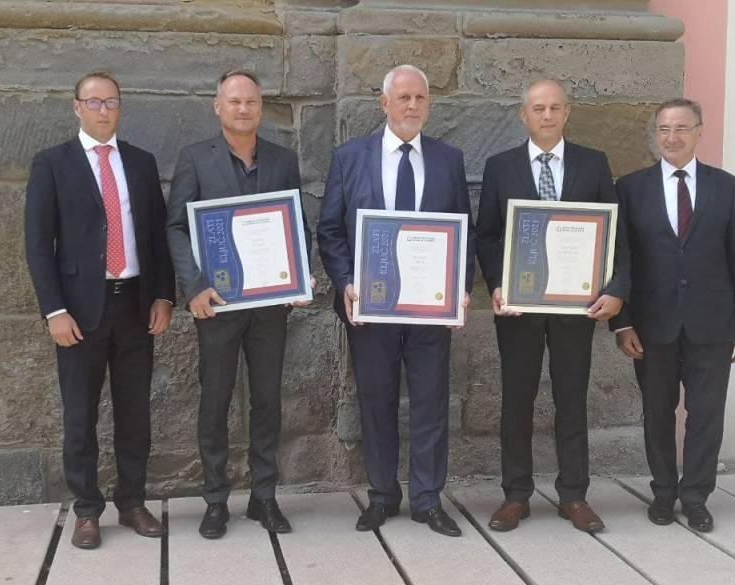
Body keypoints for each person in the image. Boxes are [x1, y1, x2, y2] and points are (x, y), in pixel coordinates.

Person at [317, 64, 475, 537]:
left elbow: (463, 231)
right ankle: (382, 496)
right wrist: (346, 281)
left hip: (430, 309)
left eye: (420, 98)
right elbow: (330, 229)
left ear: (429, 104)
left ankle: (428, 499)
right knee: (376, 402)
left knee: (431, 402)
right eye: (403, 97)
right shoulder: (350, 157)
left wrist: (461, 289)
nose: (411, 105)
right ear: (384, 103)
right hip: (371, 307)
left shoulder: (448, 159)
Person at [25, 71, 174, 549]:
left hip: (135, 305)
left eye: (111, 101)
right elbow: (38, 244)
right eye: (94, 102)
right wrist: (54, 310)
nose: (103, 110)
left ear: (120, 107)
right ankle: (87, 510)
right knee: (80, 415)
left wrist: (164, 295)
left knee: (135, 414)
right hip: (79, 311)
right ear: (77, 107)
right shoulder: (52, 164)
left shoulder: (142, 162)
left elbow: (157, 235)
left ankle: (132, 502)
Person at [476, 80, 628, 533]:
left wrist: (616, 289)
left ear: (567, 113)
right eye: (538, 108)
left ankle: (574, 496)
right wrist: (498, 285)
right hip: (519, 306)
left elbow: (614, 233)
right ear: (523, 115)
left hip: (577, 306)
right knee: (516, 399)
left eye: (555, 108)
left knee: (572, 398)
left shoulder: (592, 163)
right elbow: (488, 235)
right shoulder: (500, 167)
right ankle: (515, 496)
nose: (547, 115)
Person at [166, 70, 312, 539]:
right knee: (215, 400)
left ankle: (263, 496)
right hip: (216, 304)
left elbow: (295, 223)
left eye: (251, 101)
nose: (244, 109)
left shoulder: (282, 160)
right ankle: (215, 500)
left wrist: (299, 275)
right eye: (234, 101)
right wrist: (193, 286)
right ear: (218, 107)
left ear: (261, 107)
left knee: (267, 400)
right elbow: (176, 227)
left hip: (270, 306)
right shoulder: (195, 159)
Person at [611, 98, 735, 533]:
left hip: (713, 322)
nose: (671, 137)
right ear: (655, 134)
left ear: (698, 132)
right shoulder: (631, 188)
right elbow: (621, 259)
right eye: (664, 129)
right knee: (657, 413)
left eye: (680, 128)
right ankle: (662, 493)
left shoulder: (725, 186)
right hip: (651, 324)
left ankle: (695, 497)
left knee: (706, 415)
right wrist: (622, 321)